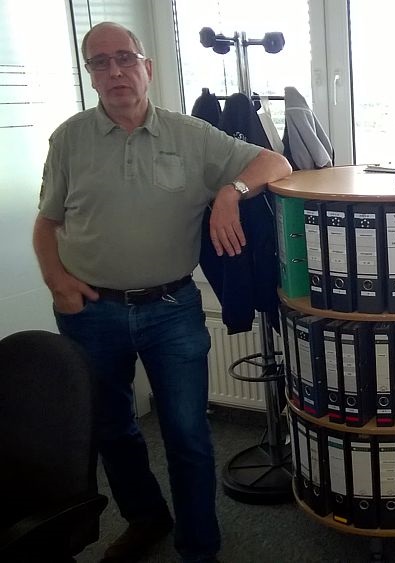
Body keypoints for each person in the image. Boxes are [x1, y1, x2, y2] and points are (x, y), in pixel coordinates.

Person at [32, 22, 291, 563]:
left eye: (125, 58)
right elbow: (47, 223)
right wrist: (57, 282)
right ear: (91, 75)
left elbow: (276, 163)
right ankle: (146, 519)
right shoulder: (69, 139)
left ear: (147, 68)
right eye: (100, 62)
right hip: (91, 311)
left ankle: (199, 548)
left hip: (171, 310)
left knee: (188, 435)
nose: (115, 71)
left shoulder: (191, 135)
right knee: (113, 431)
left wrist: (230, 191)